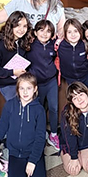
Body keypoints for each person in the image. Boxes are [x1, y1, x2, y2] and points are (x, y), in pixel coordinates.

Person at [0, 73, 47, 177]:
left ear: (35, 89)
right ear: (17, 90)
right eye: (22, 88)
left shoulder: (39, 110)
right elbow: (2, 128)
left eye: (29, 88)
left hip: (32, 151)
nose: (25, 92)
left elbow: (40, 137)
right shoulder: (10, 105)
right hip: (15, 152)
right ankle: (21, 168)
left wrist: (33, 161)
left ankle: (34, 162)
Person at [59, 82, 88, 176]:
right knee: (74, 171)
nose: (79, 100)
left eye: (81, 94)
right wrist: (74, 157)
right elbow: (69, 137)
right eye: (75, 98)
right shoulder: (67, 113)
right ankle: (63, 154)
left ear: (87, 93)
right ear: (72, 102)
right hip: (70, 146)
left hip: (87, 145)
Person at [27, 19, 60, 151]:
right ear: (35, 32)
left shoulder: (54, 45)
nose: (45, 34)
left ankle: (53, 134)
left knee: (54, 108)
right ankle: (38, 134)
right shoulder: (29, 45)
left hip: (51, 81)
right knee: (38, 109)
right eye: (41, 30)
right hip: (36, 83)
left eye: (48, 31)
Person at [0, 11, 33, 100]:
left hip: (22, 82)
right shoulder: (0, 45)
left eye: (24, 26)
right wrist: (12, 72)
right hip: (7, 84)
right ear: (11, 25)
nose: (21, 29)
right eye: (18, 25)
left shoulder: (23, 42)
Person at [58, 18, 88, 91]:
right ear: (65, 33)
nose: (73, 35)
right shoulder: (60, 45)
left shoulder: (85, 44)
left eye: (76, 31)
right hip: (69, 78)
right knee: (74, 97)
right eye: (69, 32)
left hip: (86, 76)